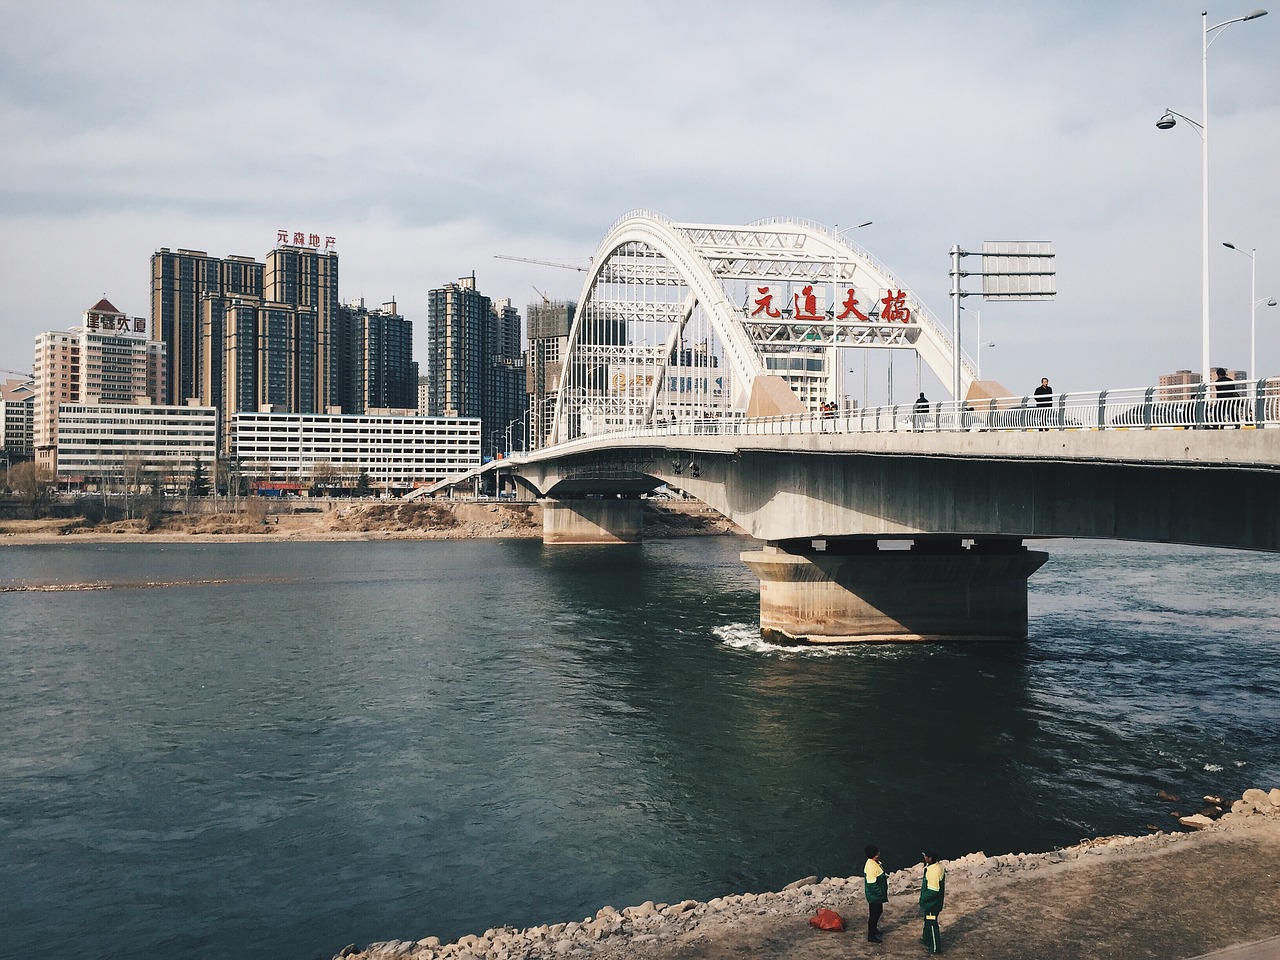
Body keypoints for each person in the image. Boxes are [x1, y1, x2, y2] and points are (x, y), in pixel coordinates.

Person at [919, 849, 946, 954]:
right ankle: (926, 940)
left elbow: (933, 890)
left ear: (930, 858)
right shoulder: (937, 867)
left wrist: (922, 899)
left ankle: (935, 948)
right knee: (927, 920)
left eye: (925, 856)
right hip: (932, 903)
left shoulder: (934, 871)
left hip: (932, 905)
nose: (924, 858)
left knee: (931, 923)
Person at [863, 844, 888, 943]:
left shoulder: (874, 863)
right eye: (877, 852)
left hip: (877, 895)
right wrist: (881, 892)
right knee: (874, 914)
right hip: (874, 895)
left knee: (878, 911)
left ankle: (874, 930)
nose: (879, 853)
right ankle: (871, 935)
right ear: (874, 855)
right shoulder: (871, 867)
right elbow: (871, 884)